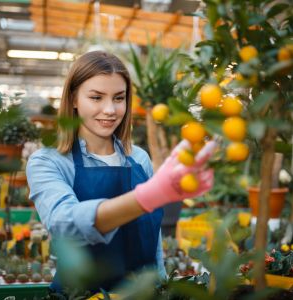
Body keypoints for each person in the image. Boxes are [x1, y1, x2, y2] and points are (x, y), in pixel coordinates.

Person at [26, 51, 215, 294]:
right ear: (73, 99)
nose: (110, 110)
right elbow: (64, 223)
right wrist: (144, 198)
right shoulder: (49, 161)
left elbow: (152, 241)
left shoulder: (139, 159)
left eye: (119, 98)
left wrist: (162, 285)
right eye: (96, 97)